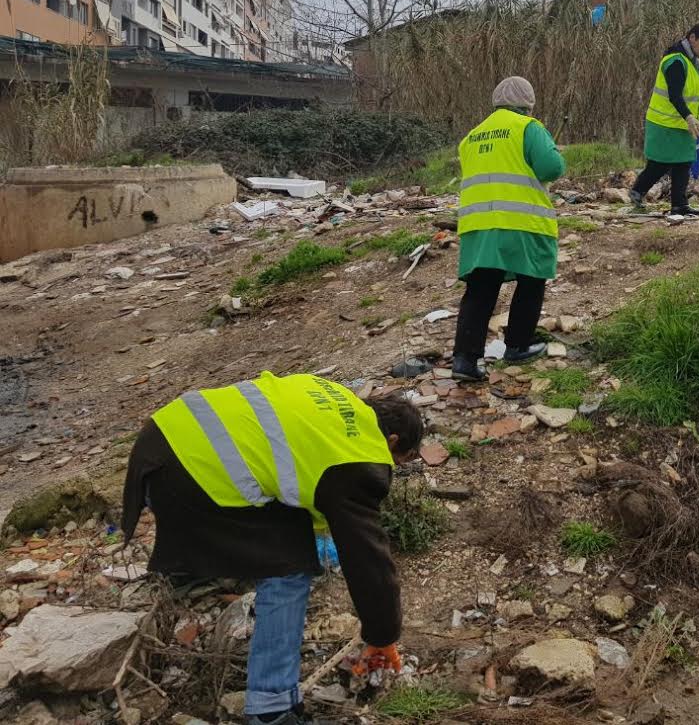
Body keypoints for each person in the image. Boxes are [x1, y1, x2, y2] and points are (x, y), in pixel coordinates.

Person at [121, 374, 425, 725]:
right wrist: (383, 634)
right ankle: (271, 709)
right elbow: (368, 558)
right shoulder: (359, 458)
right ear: (391, 440)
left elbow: (292, 478)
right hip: (188, 472)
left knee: (275, 528)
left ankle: (192, 570)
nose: (391, 469)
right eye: (399, 461)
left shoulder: (334, 399)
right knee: (288, 569)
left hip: (161, 437)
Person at [452, 76, 566, 383]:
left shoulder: (472, 136)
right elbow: (552, 168)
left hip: (477, 226)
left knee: (480, 289)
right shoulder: (528, 128)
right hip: (521, 222)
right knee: (531, 281)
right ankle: (517, 345)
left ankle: (464, 359)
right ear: (527, 104)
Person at [630, 23, 699, 216]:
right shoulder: (676, 60)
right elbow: (674, 95)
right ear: (692, 38)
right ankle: (637, 191)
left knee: (683, 163)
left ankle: (679, 205)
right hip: (664, 122)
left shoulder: (693, 61)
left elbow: (691, 91)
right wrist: (689, 116)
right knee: (661, 163)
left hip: (683, 124)